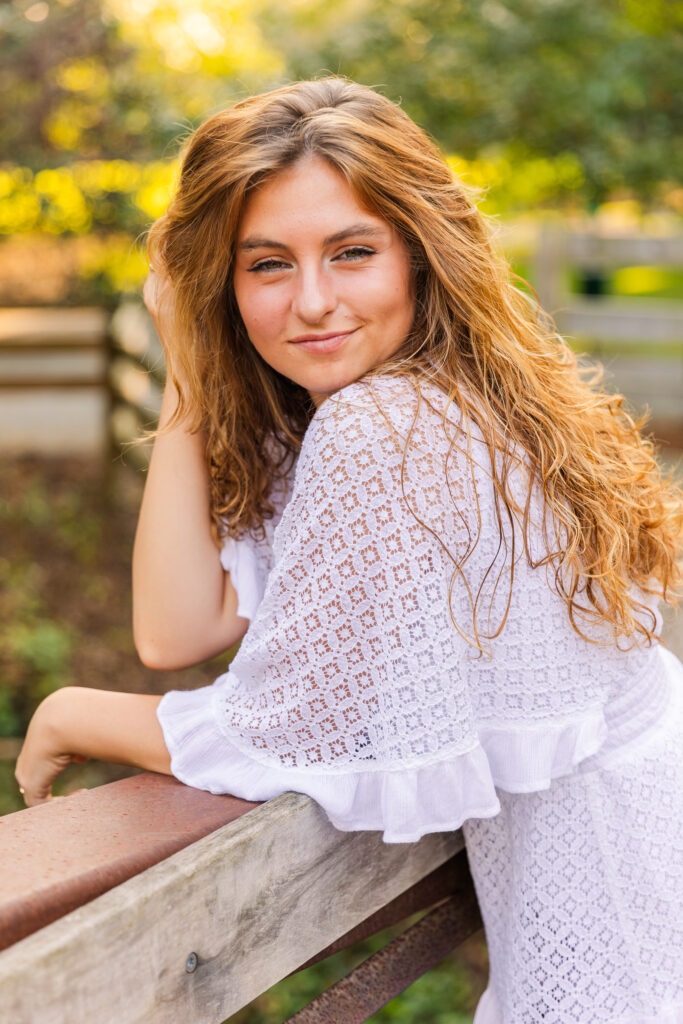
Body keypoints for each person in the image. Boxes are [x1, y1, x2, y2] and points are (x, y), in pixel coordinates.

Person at [15, 78, 683, 1023]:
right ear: (222, 284)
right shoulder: (444, 397)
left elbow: (284, 729)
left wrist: (72, 713)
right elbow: (180, 627)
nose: (313, 302)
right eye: (267, 265)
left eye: (352, 252)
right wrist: (188, 371)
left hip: (621, 959)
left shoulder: (385, 428)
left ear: (420, 254)